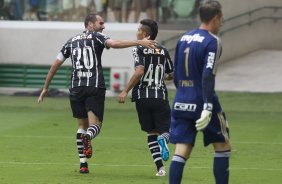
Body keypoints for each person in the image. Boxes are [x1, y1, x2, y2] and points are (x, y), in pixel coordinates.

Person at [37, 13, 156, 174]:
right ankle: (89, 137)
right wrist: (138, 42)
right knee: (95, 126)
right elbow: (114, 44)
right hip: (94, 87)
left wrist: (45, 87)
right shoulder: (97, 37)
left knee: (81, 126)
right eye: (101, 23)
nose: (103, 26)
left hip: (76, 88)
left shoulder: (70, 42)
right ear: (90, 24)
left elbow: (55, 64)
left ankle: (83, 164)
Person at [169, 1, 231, 184]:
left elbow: (176, 73)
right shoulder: (213, 41)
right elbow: (208, 75)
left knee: (182, 150)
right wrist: (207, 106)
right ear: (216, 17)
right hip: (203, 101)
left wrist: (184, 93)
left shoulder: (183, 38)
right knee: (222, 146)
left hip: (181, 101)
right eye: (221, 19)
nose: (222, 22)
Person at [118, 19, 174, 177]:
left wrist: (125, 91)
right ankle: (163, 139)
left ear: (145, 34)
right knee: (167, 131)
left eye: (139, 30)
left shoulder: (138, 48)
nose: (137, 31)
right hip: (160, 96)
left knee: (151, 133)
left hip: (142, 96)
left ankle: (160, 169)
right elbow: (171, 74)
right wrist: (160, 75)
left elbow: (140, 71)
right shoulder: (163, 50)